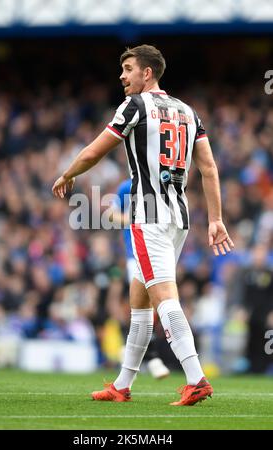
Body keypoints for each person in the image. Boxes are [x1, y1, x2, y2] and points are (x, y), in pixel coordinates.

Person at [52, 44, 234, 406]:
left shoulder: (134, 106)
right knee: (140, 300)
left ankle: (196, 378)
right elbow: (209, 168)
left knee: (164, 297)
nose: (122, 76)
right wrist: (215, 218)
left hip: (147, 215)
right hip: (178, 217)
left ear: (147, 73)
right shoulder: (188, 112)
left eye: (129, 69)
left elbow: (94, 151)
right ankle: (122, 385)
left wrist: (67, 173)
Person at [112, 178, 170, 379]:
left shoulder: (158, 184)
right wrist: (135, 219)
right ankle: (152, 358)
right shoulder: (126, 187)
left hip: (158, 252)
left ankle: (132, 355)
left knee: (153, 304)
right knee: (143, 304)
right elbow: (111, 215)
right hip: (134, 255)